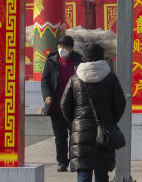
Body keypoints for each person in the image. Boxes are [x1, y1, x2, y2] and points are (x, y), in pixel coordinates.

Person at [61, 42, 126, 182]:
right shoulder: (110, 78)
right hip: (104, 133)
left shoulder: (75, 79)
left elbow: (64, 105)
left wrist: (75, 121)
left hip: (80, 135)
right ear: (101, 57)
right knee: (102, 174)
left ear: (84, 57)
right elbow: (120, 104)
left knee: (83, 174)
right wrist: (111, 121)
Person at [41, 34, 82, 171]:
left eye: (64, 47)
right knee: (60, 136)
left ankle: (74, 161)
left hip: (74, 106)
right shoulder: (51, 61)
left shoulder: (79, 61)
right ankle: (62, 162)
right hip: (56, 106)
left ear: (71, 49)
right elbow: (45, 81)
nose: (61, 49)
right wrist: (47, 96)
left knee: (75, 136)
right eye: (59, 46)